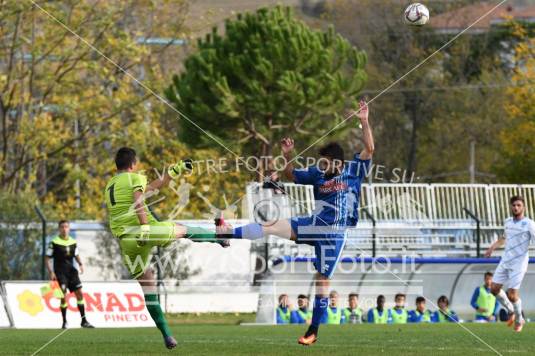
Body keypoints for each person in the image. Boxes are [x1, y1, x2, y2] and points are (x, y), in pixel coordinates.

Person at [220, 100, 374, 345]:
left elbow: (370, 148)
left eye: (325, 163)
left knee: (322, 280)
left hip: (334, 235)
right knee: (272, 224)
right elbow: (291, 175)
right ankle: (228, 233)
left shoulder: (353, 170)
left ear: (339, 163)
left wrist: (364, 121)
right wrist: (288, 155)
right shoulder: (317, 173)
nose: (321, 167)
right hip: (312, 224)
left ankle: (312, 331)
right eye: (320, 162)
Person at [104, 147, 229, 349]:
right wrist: (145, 227)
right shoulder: (134, 178)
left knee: (148, 287)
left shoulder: (111, 184)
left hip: (127, 241)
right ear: (133, 164)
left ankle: (167, 335)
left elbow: (152, 188)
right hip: (144, 230)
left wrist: (175, 170)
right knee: (184, 229)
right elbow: (138, 201)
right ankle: (219, 237)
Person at [485, 195, 534, 333]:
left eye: (519, 205)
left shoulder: (529, 224)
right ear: (510, 206)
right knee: (494, 288)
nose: (516, 207)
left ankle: (519, 319)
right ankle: (511, 310)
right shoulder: (508, 222)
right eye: (514, 205)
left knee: (512, 295)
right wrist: (492, 247)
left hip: (519, 263)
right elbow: (504, 238)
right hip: (505, 260)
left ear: (523, 207)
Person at [45, 220, 94, 329]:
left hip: (72, 272)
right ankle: (64, 322)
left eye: (66, 227)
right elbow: (47, 258)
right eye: (62, 227)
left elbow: (76, 254)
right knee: (62, 296)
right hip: (60, 272)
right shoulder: (54, 242)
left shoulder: (73, 241)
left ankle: (84, 321)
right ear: (59, 229)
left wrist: (80, 264)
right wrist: (51, 272)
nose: (64, 229)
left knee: (80, 294)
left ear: (69, 228)